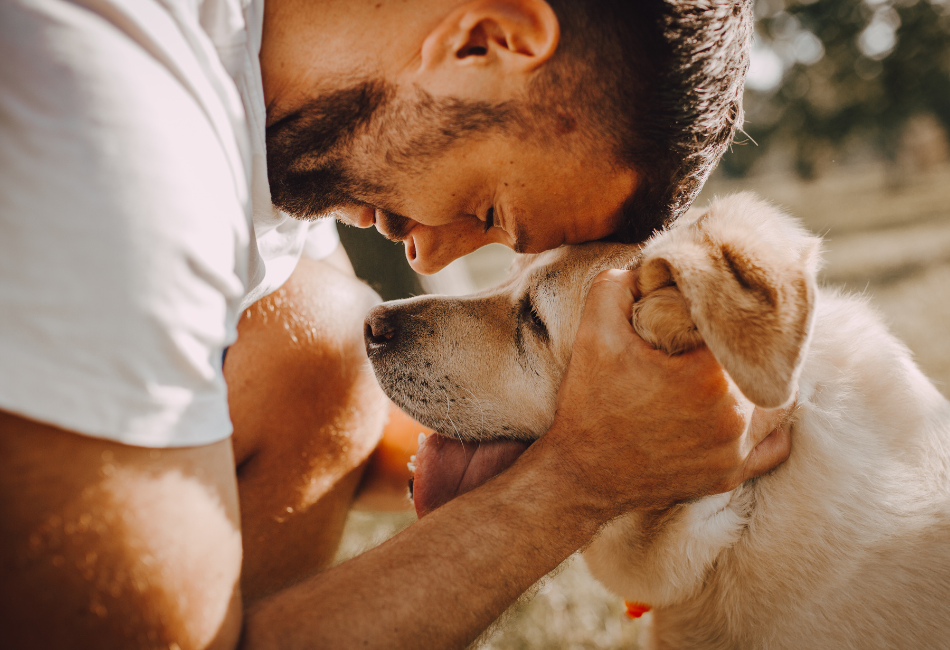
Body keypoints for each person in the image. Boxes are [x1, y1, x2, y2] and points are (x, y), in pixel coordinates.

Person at [0, 0, 790, 648]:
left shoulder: (265, 107)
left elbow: (343, 429)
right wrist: (580, 481)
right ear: (486, 40)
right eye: (487, 209)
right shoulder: (115, 125)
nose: (430, 254)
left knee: (318, 342)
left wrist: (640, 433)